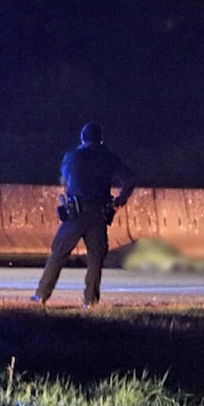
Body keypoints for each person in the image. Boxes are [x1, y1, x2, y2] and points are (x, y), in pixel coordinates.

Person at [32, 122, 135, 308]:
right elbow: (130, 179)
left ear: (82, 138)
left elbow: (65, 177)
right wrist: (119, 201)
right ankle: (90, 301)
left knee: (58, 254)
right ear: (101, 139)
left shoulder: (72, 156)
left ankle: (41, 296)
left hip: (75, 213)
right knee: (95, 259)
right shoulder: (109, 157)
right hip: (98, 214)